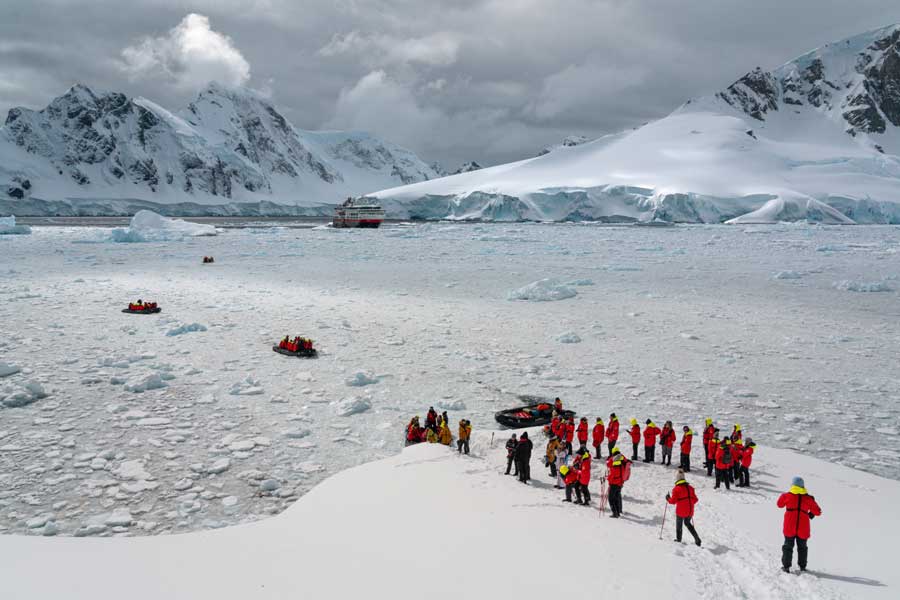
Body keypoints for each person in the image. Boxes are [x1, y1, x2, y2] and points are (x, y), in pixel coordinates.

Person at [777, 477, 822, 573]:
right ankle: (802, 567)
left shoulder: (787, 496)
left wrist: (783, 496)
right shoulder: (808, 498)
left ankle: (786, 567)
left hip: (789, 526)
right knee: (802, 547)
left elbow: (779, 504)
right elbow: (818, 512)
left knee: (788, 547)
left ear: (792, 485)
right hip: (803, 527)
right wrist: (811, 505)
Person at [666, 474, 702, 546]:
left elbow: (673, 501)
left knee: (679, 525)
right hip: (690, 510)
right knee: (687, 523)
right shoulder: (691, 488)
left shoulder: (676, 489)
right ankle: (697, 538)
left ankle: (679, 540)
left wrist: (668, 498)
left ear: (677, 480)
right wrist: (689, 503)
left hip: (681, 511)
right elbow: (695, 499)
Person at [606, 448, 630, 518]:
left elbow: (611, 476)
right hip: (620, 482)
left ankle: (615, 513)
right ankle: (618, 511)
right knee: (617, 497)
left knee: (611, 498)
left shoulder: (614, 467)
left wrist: (608, 480)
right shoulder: (622, 462)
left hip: (614, 484)